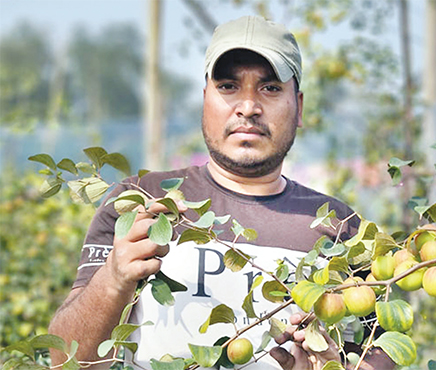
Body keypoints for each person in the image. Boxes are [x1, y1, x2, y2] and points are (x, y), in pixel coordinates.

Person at [48, 15, 394, 370]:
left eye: (270, 88)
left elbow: (381, 353)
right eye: (228, 86)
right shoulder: (141, 203)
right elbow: (65, 361)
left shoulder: (343, 230)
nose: (248, 107)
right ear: (204, 100)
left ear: (299, 107)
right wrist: (113, 281)